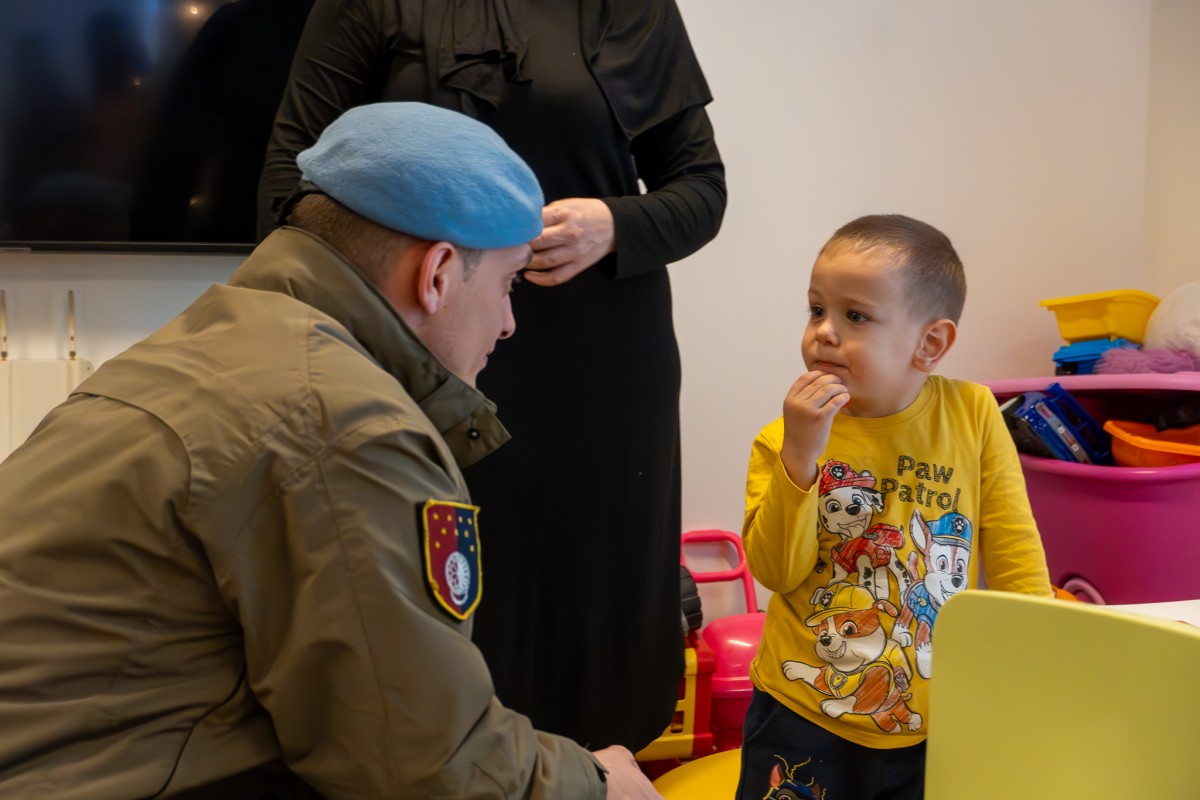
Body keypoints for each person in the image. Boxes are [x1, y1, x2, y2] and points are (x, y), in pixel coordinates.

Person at [0, 102, 662, 800]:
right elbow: (421, 769)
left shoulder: (203, 348)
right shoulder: (342, 419)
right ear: (437, 273)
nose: (506, 324)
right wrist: (597, 782)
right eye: (505, 285)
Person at [257, 0, 727, 753]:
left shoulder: (629, 7)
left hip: (600, 369)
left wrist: (613, 225)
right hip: (419, 355)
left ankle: (600, 772)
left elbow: (701, 189)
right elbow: (288, 183)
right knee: (430, 603)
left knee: (597, 618)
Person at [736, 215, 1053, 799]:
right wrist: (802, 455)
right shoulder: (782, 439)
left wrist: (1033, 664)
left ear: (929, 344)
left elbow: (1014, 549)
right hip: (801, 705)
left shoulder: (974, 413)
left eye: (855, 316)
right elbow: (777, 572)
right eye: (815, 310)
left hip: (930, 711)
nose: (824, 333)